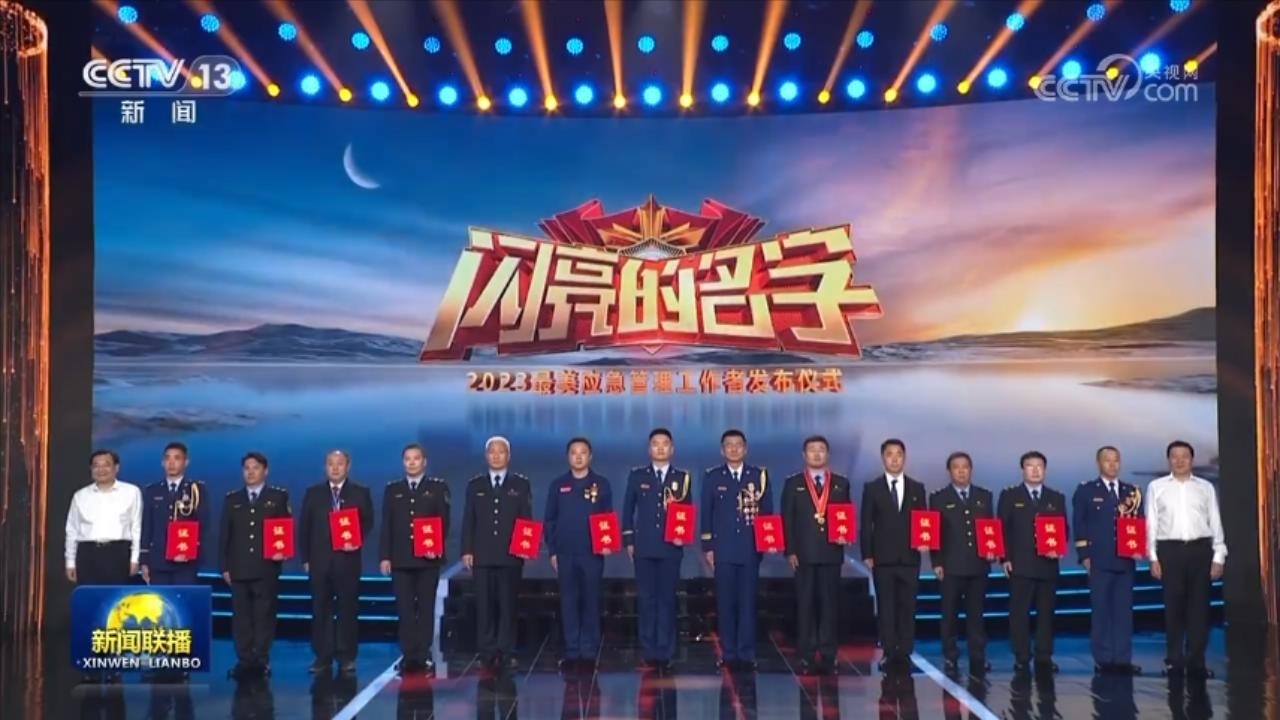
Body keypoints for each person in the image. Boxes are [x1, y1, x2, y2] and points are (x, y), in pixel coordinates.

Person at [1146, 440, 1226, 679]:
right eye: (1175, 456)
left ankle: (1196, 662)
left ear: (1192, 460)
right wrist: (1152, 556)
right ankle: (1174, 660)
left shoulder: (1205, 487)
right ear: (1168, 460)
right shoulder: (1156, 487)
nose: (1180, 461)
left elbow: (1215, 521)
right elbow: (1151, 524)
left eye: (1184, 456)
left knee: (1199, 609)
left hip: (1200, 550)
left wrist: (1219, 555)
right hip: (1170, 551)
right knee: (1173, 608)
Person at [699, 429, 773, 672]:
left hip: (750, 548)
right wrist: (708, 546)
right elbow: (706, 514)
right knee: (725, 604)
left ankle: (746, 653)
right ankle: (728, 653)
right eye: (728, 445)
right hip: (723, 550)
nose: (733, 448)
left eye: (738, 444)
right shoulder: (712, 477)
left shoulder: (759, 476)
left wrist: (767, 542)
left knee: (748, 603)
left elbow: (767, 512)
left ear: (745, 448)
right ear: (722, 450)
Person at [781, 435, 852, 675]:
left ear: (827, 454)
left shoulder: (841, 483)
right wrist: (790, 550)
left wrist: (846, 535)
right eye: (812, 450)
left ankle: (829, 653)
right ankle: (807, 654)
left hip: (831, 553)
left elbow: (845, 516)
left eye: (821, 449)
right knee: (806, 605)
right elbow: (787, 519)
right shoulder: (793, 483)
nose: (817, 453)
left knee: (830, 606)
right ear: (804, 455)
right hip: (803, 554)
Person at [299, 449, 375, 675]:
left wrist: (357, 539)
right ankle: (322, 656)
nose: (335, 467)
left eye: (339, 463)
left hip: (348, 560)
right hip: (319, 561)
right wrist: (305, 558)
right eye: (330, 463)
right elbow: (304, 528)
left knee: (347, 608)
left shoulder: (360, 493)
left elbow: (368, 522)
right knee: (320, 608)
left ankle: (346, 656)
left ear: (348, 466)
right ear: (325, 467)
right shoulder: (313, 493)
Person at [461, 436, 533, 671]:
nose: (496, 456)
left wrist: (525, 547)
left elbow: (526, 518)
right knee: (484, 605)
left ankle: (506, 650)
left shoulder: (520, 485)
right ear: (486, 456)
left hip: (510, 555)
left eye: (501, 452)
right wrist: (467, 550)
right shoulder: (475, 485)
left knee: (508, 605)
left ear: (508, 456)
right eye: (492, 452)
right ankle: (487, 650)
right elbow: (468, 520)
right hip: (482, 555)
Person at [622, 428, 691, 672]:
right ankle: (649, 651)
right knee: (646, 600)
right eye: (655, 443)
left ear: (672, 449)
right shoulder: (637, 476)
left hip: (671, 548)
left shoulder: (682, 478)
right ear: (649, 448)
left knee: (667, 600)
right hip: (644, 547)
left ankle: (666, 651)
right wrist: (629, 541)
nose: (660, 448)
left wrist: (683, 536)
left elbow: (686, 511)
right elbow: (627, 511)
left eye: (665, 444)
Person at [379, 443, 450, 676]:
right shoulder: (393, 490)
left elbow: (444, 522)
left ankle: (423, 653)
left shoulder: (437, 488)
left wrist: (436, 548)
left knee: (426, 607)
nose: (411, 462)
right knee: (405, 608)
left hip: (428, 559)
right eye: (407, 459)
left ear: (424, 462)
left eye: (416, 458)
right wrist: (385, 556)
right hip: (400, 559)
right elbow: (387, 525)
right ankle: (409, 654)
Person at [219, 451, 291, 679]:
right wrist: (224, 566)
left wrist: (282, 553)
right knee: (241, 618)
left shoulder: (278, 497)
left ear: (265, 471)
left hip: (266, 567)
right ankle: (244, 660)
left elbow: (284, 529)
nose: (250, 472)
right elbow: (225, 535)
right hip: (239, 567)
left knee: (264, 616)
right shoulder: (232, 499)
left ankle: (261, 659)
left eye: (255, 468)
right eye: (247, 468)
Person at [1072, 445, 1143, 676]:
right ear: (1098, 463)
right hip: (1099, 560)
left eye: (1116, 460)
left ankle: (1122, 659)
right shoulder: (1086, 490)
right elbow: (1079, 524)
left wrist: (1138, 547)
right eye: (1107, 460)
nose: (1112, 465)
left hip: (1125, 561)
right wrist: (1084, 555)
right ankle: (1103, 659)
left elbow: (1138, 522)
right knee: (1101, 610)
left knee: (1123, 612)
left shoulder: (1131, 492)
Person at [544, 436, 613, 673]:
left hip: (592, 553)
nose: (579, 456)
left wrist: (607, 542)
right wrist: (553, 551)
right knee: (569, 602)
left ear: (590, 456)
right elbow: (550, 520)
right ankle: (572, 651)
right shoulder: (558, 485)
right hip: (565, 553)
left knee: (591, 602)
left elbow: (607, 516)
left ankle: (589, 652)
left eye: (583, 452)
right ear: (568, 457)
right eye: (574, 452)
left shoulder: (601, 484)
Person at [860, 438, 927, 673]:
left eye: (899, 454)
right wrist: (867, 553)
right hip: (883, 558)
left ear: (904, 458)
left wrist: (925, 541)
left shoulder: (917, 488)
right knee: (886, 607)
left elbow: (924, 521)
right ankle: (889, 651)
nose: (895, 459)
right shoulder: (872, 488)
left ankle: (905, 652)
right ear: (883, 458)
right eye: (890, 454)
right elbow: (866, 523)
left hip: (910, 558)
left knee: (908, 607)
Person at [997, 451, 1068, 675]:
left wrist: (1059, 548)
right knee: (1019, 613)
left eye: (1039, 466)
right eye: (1030, 466)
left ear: (1045, 470)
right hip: (1020, 565)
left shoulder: (1056, 497)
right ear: (1023, 470)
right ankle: (1021, 656)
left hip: (1047, 566)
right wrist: (1005, 558)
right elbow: (1001, 528)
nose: (1035, 470)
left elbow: (1063, 529)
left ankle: (1044, 656)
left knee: (1046, 614)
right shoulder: (1010, 496)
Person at [928, 451, 994, 674]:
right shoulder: (938, 498)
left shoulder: (984, 496)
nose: (961, 471)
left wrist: (993, 551)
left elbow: (990, 529)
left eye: (965, 467)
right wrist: (936, 562)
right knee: (949, 614)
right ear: (949, 471)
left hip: (978, 565)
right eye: (956, 467)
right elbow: (934, 533)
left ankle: (978, 656)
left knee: (976, 614)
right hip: (950, 566)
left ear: (970, 470)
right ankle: (950, 655)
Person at [65, 449, 142, 586]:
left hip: (119, 554)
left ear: (116, 468)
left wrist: (135, 559)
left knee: (116, 597)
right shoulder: (80, 496)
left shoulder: (132, 492)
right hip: (88, 554)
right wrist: (70, 562)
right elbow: (72, 531)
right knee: (89, 597)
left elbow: (137, 528)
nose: (101, 470)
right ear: (91, 469)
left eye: (106, 465)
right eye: (96, 466)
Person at [140, 442, 209, 586]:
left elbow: (202, 524)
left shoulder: (196, 490)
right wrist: (144, 560)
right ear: (162, 463)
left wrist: (190, 551)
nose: (171, 463)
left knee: (183, 598)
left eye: (177, 458)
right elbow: (147, 527)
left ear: (186, 462)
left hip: (186, 561)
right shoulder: (152, 490)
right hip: (158, 561)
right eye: (167, 458)